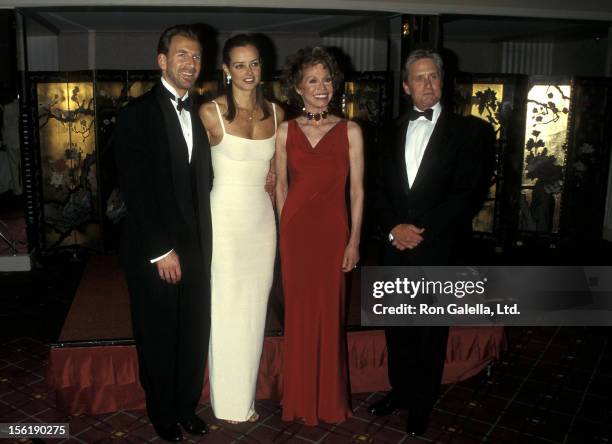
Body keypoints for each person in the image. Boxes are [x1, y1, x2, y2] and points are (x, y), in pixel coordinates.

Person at [369, 48, 495, 436]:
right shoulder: (385, 131)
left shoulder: (472, 131)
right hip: (393, 246)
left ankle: (421, 404)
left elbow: (467, 194)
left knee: (429, 331)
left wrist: (417, 233)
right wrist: (393, 229)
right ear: (406, 86)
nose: (427, 84)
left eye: (433, 77)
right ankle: (400, 392)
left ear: (443, 81)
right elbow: (374, 189)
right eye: (419, 78)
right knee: (397, 326)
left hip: (439, 247)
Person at [114, 24, 211, 442]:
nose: (191, 63)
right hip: (156, 249)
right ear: (162, 61)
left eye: (196, 56)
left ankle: (186, 407)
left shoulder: (206, 112)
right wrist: (161, 250)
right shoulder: (136, 115)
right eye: (182, 55)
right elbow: (135, 188)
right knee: (157, 334)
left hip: (198, 246)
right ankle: (163, 413)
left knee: (192, 331)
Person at [275, 46, 364, 426]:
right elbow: (280, 185)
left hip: (332, 236)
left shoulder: (350, 130)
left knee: (329, 316)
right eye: (313, 80)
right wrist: (283, 234)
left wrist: (354, 240)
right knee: (297, 317)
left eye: (327, 79)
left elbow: (358, 191)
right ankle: (297, 400)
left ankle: (328, 401)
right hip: (296, 236)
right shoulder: (285, 131)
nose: (322, 86)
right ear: (298, 86)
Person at [199, 34, 283, 424]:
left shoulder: (278, 114)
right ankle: (227, 402)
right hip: (225, 219)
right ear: (225, 70)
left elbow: (281, 173)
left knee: (253, 309)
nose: (248, 72)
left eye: (254, 64)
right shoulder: (209, 113)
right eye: (239, 65)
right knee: (225, 308)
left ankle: (244, 397)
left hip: (261, 221)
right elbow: (190, 174)